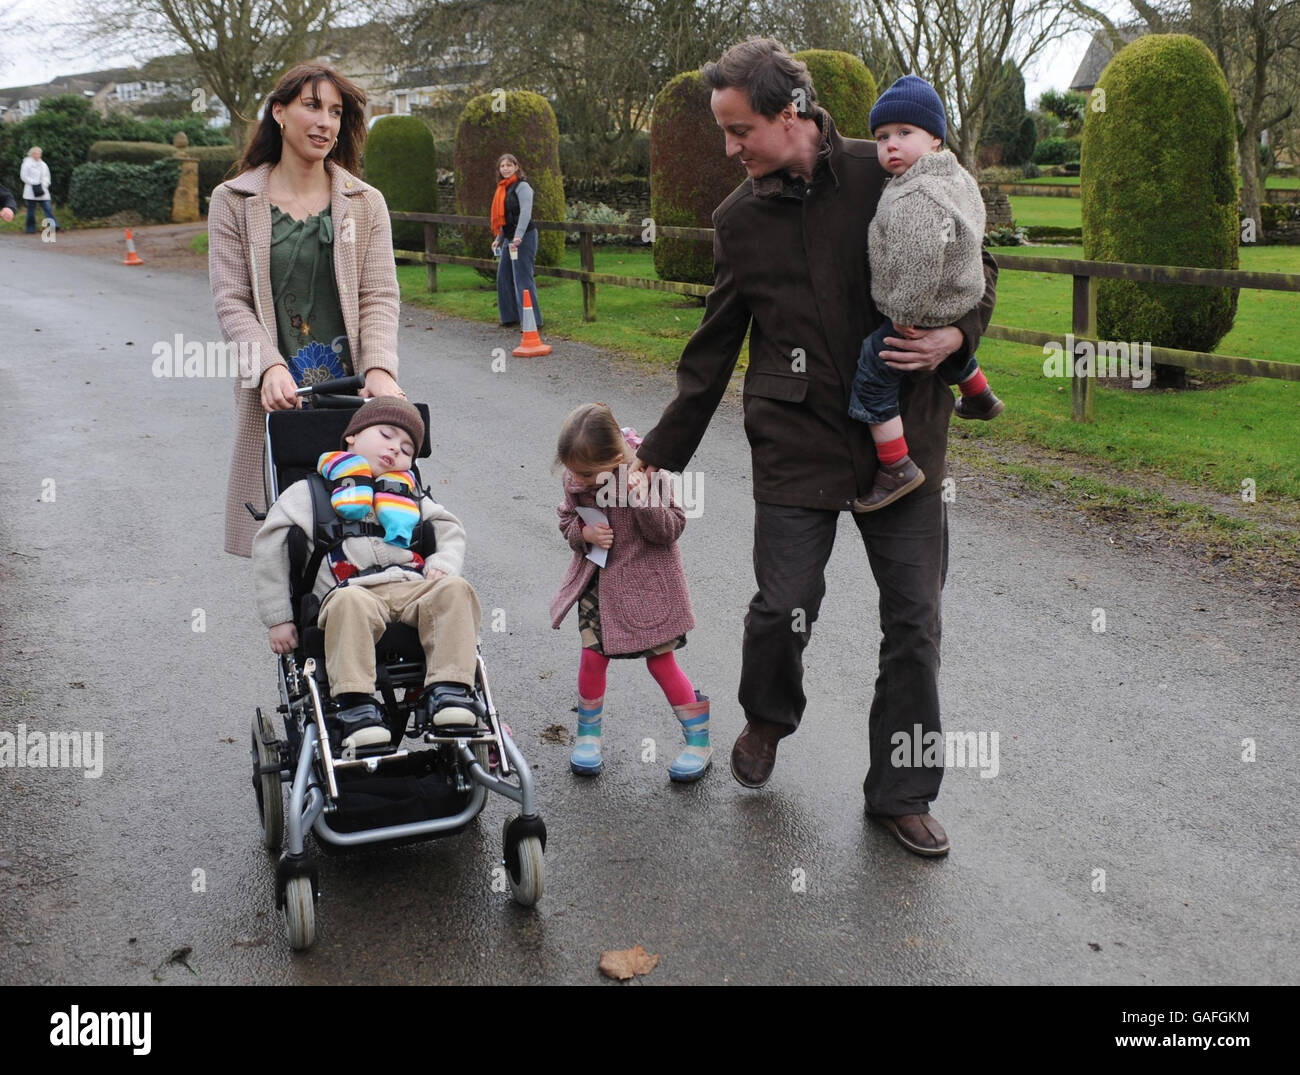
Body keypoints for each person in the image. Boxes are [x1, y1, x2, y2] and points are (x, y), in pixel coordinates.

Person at [633, 39, 997, 857]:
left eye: (739, 130)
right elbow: (713, 346)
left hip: (903, 442)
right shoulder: (739, 220)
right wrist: (656, 456)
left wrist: (952, 336)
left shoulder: (892, 170)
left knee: (915, 621)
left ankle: (901, 789)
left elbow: (978, 263)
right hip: (795, 440)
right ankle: (767, 714)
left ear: (790, 111)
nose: (729, 149)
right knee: (781, 606)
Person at [209, 61, 406, 558]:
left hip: (355, 398)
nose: (325, 122)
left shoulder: (365, 203)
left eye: (336, 112)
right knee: (292, 539)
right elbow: (232, 299)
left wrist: (380, 369)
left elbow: (379, 294)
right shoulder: (233, 200)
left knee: (369, 532)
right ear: (279, 111)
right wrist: (268, 365)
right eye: (312, 106)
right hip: (279, 397)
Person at [253, 398, 484, 750]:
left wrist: (444, 565)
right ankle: (356, 707)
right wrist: (278, 618)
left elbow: (450, 529)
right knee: (351, 602)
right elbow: (270, 547)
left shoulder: (409, 493)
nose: (395, 448)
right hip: (348, 590)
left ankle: (449, 691)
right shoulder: (310, 493)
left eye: (406, 449)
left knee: (456, 590)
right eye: (386, 435)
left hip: (410, 588)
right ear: (352, 438)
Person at [848, 76, 1004, 512]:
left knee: (874, 369)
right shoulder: (957, 177)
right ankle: (979, 394)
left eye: (904, 133)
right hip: (959, 297)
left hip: (925, 306)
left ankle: (895, 465)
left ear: (935, 136)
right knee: (949, 347)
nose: (890, 146)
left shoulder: (916, 194)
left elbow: (918, 263)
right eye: (882, 137)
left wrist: (902, 314)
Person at [550, 403, 711, 782]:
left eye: (590, 473)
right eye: (574, 471)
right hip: (599, 586)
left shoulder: (648, 476)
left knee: (661, 663)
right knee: (592, 657)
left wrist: (642, 500)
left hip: (648, 591)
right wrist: (582, 534)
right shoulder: (577, 479)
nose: (580, 479)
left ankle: (698, 741)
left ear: (618, 456)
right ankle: (588, 738)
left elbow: (670, 528)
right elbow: (566, 519)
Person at [490, 153, 543, 329]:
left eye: (509, 165)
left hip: (524, 237)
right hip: (510, 238)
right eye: (502, 166)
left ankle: (532, 320)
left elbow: (525, 213)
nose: (505, 168)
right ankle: (510, 317)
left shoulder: (523, 187)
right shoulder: (502, 189)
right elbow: (504, 218)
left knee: (522, 279)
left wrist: (519, 235)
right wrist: (499, 239)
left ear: (516, 167)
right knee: (503, 276)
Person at [20, 147, 57, 235]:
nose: (38, 155)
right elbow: (24, 176)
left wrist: (44, 185)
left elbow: (47, 176)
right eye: (36, 153)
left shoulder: (43, 164)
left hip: (43, 191)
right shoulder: (26, 164)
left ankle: (54, 226)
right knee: (31, 211)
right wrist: (34, 183)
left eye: (39, 153)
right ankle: (30, 228)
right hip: (31, 191)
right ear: (32, 154)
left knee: (48, 209)